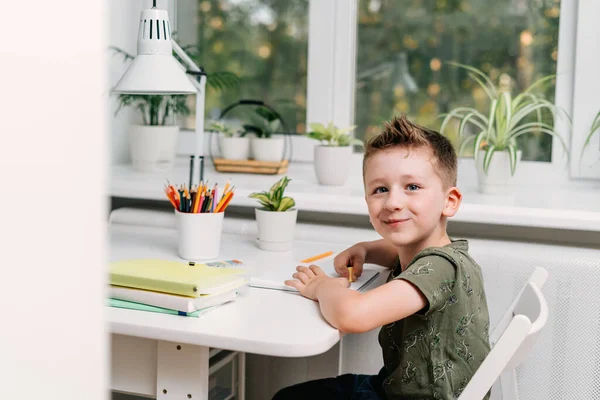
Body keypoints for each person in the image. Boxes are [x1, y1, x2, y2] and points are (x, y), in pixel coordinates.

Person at [274, 115, 491, 400]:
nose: (393, 202)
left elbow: (353, 316)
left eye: (412, 187)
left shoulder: (439, 267)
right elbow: (397, 252)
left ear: (449, 202)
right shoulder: (436, 253)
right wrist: (366, 248)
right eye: (380, 189)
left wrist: (321, 287)